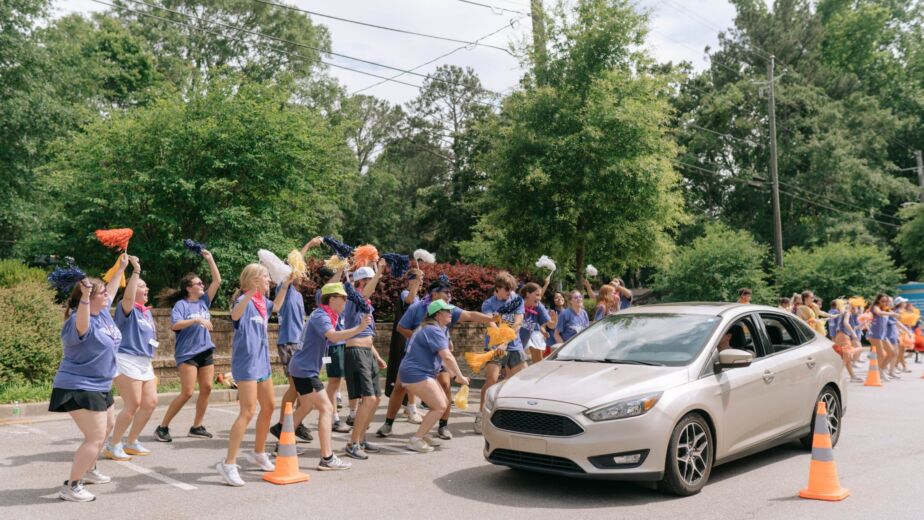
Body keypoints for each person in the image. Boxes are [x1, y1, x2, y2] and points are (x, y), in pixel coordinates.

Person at [49, 255, 128, 502]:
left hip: (101, 385)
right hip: (79, 386)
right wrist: (84, 297)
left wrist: (121, 268)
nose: (107, 296)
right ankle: (71, 486)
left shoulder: (103, 312)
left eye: (105, 293)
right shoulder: (79, 320)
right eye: (101, 294)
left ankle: (90, 469)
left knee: (109, 426)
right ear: (89, 298)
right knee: (94, 437)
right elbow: (83, 324)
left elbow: (111, 291)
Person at [378, 277, 493, 439]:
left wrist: (492, 318)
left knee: (445, 385)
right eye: (446, 292)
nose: (449, 295)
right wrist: (421, 341)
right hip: (416, 356)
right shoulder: (416, 308)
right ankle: (388, 424)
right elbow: (401, 327)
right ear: (434, 293)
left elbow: (469, 315)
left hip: (439, 355)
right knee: (399, 387)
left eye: (449, 293)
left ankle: (443, 426)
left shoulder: (448, 309)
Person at [289, 282, 369, 470]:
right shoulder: (321, 316)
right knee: (326, 409)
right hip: (304, 370)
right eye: (343, 298)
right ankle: (327, 458)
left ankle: (282, 441)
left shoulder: (326, 315)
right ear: (332, 299)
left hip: (303, 368)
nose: (345, 302)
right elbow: (333, 337)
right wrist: (359, 329)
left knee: (307, 405)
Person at [216, 264, 276, 486]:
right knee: (248, 410)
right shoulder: (242, 301)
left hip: (262, 362)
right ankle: (228, 463)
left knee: (269, 407)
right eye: (265, 278)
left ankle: (259, 452)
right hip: (247, 364)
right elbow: (234, 314)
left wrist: (288, 282)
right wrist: (250, 291)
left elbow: (277, 305)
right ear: (253, 280)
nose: (269, 281)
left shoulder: (263, 304)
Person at [154, 250, 221, 442]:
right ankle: (162, 427)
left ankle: (197, 426)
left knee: (207, 387)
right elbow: (175, 325)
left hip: (205, 350)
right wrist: (197, 320)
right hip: (187, 353)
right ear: (188, 288)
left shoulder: (203, 302)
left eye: (201, 283)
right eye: (198, 283)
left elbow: (217, 281)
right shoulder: (181, 306)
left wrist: (210, 259)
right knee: (187, 392)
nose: (202, 285)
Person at [104, 255, 158, 461]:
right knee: (133, 404)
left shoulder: (146, 312)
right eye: (142, 287)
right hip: (126, 359)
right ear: (133, 289)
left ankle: (131, 441)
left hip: (144, 361)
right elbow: (127, 297)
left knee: (150, 403)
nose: (146, 290)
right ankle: (113, 444)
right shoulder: (126, 308)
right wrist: (135, 271)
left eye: (146, 287)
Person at [398, 300, 471, 452]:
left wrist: (453, 373)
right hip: (416, 373)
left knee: (442, 403)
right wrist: (460, 376)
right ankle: (415, 439)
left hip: (418, 372)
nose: (451, 314)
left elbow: (441, 357)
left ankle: (422, 434)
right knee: (440, 406)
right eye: (448, 311)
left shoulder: (430, 328)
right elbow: (447, 356)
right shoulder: (433, 330)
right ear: (438, 315)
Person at [268, 243, 317, 445]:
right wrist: (309, 246)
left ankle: (288, 423)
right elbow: (294, 264)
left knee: (297, 388)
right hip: (288, 343)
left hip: (298, 344)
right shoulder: (284, 288)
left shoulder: (297, 294)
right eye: (298, 270)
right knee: (297, 388)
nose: (301, 273)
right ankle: (285, 424)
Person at [341, 261, 389, 460]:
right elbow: (365, 293)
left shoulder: (366, 304)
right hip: (356, 351)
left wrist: (377, 357)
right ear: (361, 282)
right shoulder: (354, 299)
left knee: (376, 398)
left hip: (367, 351)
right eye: (369, 280)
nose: (374, 284)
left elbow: (367, 333)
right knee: (367, 398)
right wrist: (379, 271)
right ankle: (352, 443)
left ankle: (360, 438)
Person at [475, 271, 526, 435]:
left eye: (511, 289)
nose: (509, 292)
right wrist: (500, 342)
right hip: (494, 346)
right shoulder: (488, 304)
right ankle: (481, 415)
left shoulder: (517, 300)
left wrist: (505, 342)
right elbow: (492, 325)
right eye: (506, 289)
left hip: (514, 346)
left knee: (517, 382)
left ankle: (508, 416)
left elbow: (518, 323)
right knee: (492, 380)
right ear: (497, 288)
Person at [383, 268, 424, 424]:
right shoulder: (406, 293)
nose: (422, 281)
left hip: (415, 342)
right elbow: (409, 300)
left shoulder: (419, 297)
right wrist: (414, 282)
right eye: (419, 278)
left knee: (410, 378)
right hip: (405, 343)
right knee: (409, 377)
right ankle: (411, 408)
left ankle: (410, 407)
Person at [867, 294, 898, 381]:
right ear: (878, 301)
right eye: (882, 301)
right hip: (874, 334)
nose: (885, 303)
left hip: (883, 335)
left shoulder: (887, 309)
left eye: (886, 301)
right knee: (881, 354)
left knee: (892, 353)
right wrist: (891, 313)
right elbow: (879, 313)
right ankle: (879, 374)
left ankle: (882, 370)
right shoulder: (875, 307)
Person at [830, 300, 862, 383]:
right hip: (844, 337)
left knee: (846, 357)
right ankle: (837, 376)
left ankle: (852, 376)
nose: (857, 309)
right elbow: (846, 323)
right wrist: (853, 333)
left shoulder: (844, 313)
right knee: (849, 354)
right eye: (856, 307)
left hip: (840, 336)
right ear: (852, 306)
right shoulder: (847, 313)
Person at [521, 282, 552, 364]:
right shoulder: (517, 304)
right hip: (514, 340)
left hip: (530, 334)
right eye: (537, 295)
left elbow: (550, 324)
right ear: (527, 294)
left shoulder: (538, 306)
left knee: (538, 359)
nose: (539, 298)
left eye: (540, 295)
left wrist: (553, 322)